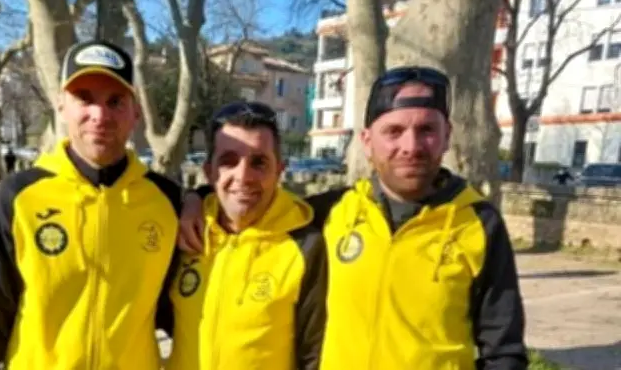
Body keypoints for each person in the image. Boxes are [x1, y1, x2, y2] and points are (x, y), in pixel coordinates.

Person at [179, 67, 529, 370]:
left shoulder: (480, 223)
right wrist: (194, 199)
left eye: (426, 130)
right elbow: (250, 196)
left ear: (447, 136)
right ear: (367, 141)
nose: (411, 145)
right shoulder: (332, 211)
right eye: (393, 131)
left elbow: (504, 351)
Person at [0, 40, 183, 369]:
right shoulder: (19, 196)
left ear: (135, 112)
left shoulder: (168, 201)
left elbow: (186, 310)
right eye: (84, 98)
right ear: (61, 105)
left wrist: (200, 199)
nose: (100, 115)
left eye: (115, 101)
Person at [160, 101, 328, 370]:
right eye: (228, 162)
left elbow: (314, 355)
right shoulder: (185, 231)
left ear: (279, 171)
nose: (243, 176)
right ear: (209, 171)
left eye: (258, 163)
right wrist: (194, 198)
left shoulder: (306, 246)